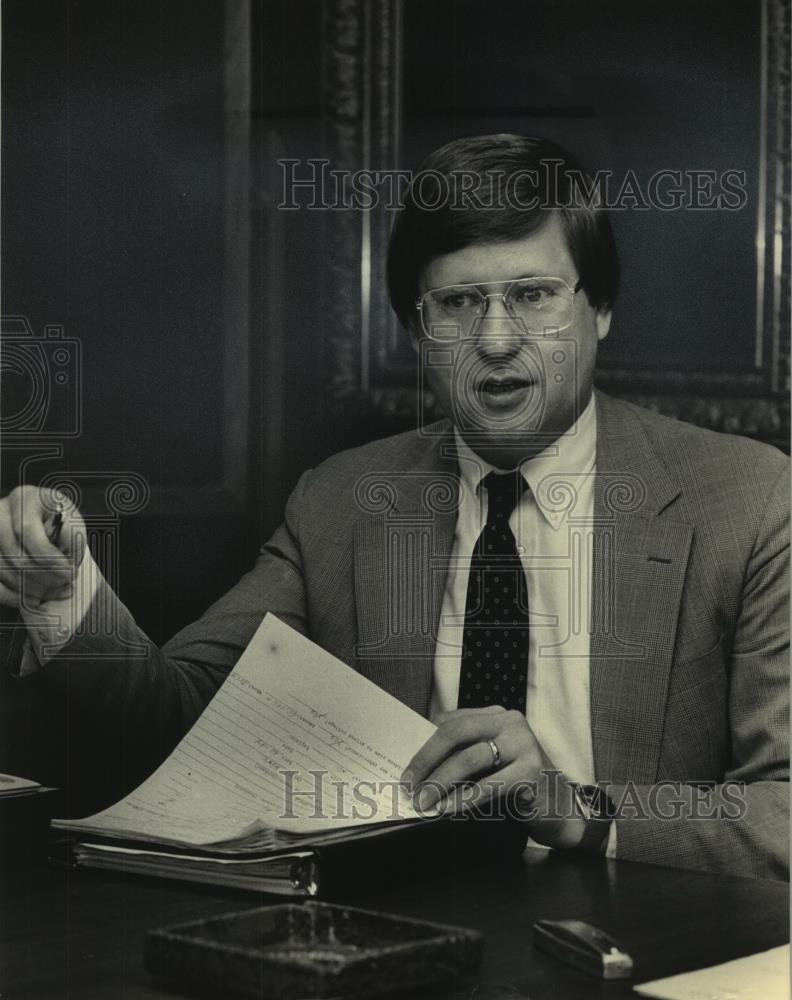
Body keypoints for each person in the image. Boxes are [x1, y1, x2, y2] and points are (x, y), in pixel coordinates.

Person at [0, 134, 788, 879]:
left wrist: (578, 811)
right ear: (417, 329)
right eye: (457, 305)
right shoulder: (342, 501)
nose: (497, 338)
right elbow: (180, 722)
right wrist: (64, 597)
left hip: (638, 940)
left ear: (601, 309)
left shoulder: (749, 502)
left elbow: (781, 814)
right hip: (395, 925)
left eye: (533, 294)